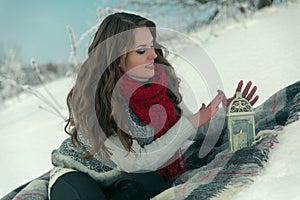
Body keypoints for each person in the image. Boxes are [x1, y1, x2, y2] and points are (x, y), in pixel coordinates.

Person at [48, 12, 259, 200]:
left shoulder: (159, 86)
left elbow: (191, 129)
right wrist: (191, 122)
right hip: (79, 173)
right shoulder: (98, 99)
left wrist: (227, 112)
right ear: (117, 59)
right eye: (142, 51)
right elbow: (136, 161)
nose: (153, 55)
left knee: (153, 184)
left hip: (122, 176)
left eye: (152, 46)